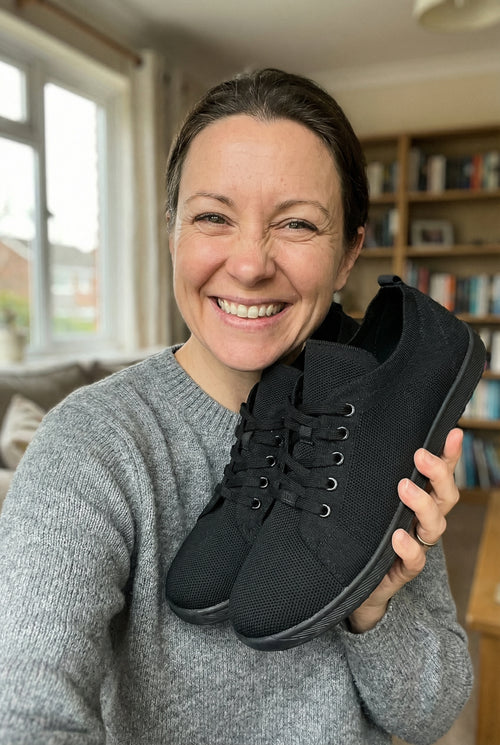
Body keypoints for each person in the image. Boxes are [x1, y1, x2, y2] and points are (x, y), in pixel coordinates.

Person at [0, 68, 471, 745]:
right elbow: (25, 716)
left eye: (297, 223)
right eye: (213, 217)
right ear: (172, 234)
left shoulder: (379, 422)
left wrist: (373, 603)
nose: (250, 264)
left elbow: (429, 715)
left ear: (348, 255)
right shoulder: (91, 443)